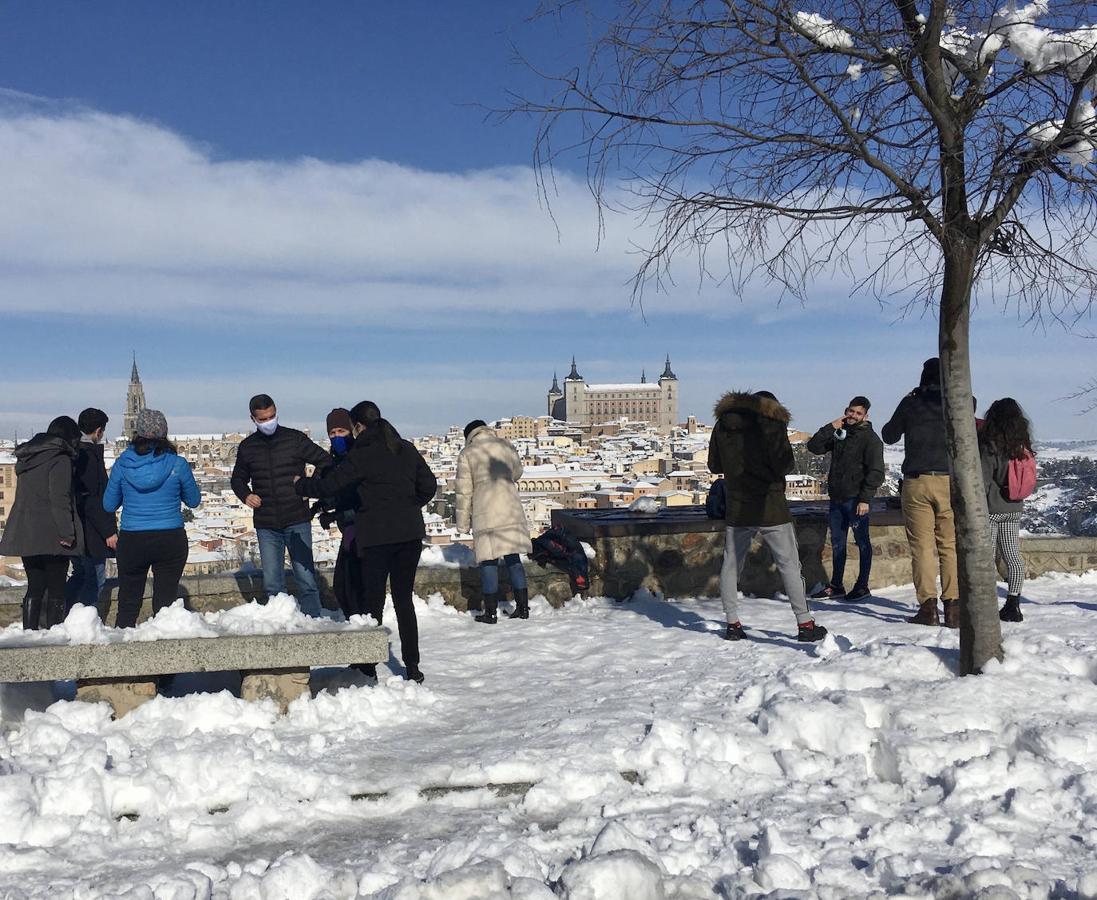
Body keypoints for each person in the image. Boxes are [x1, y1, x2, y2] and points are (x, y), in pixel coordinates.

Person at [294, 401, 437, 682]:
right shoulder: (404, 448)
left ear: (357, 426)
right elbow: (429, 486)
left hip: (376, 536)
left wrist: (300, 484)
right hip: (409, 534)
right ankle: (412, 666)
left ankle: (369, 666)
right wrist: (408, 506)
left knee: (373, 602)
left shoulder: (362, 455)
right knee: (403, 600)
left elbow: (329, 485)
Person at [707, 390, 827, 643]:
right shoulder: (772, 425)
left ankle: (732, 623)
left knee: (731, 565)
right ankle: (805, 623)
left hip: (738, 504)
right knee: (789, 566)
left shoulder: (723, 425)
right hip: (770, 503)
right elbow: (785, 465)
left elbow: (715, 466)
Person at [230, 394, 331, 617]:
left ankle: (313, 624)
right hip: (266, 524)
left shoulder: (294, 439)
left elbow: (325, 461)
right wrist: (246, 496)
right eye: (263, 418)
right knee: (273, 583)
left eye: (272, 416)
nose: (269, 421)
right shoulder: (248, 447)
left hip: (297, 519)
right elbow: (237, 479)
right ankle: (280, 627)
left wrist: (310, 486)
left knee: (306, 581)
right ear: (253, 419)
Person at [881, 358, 959, 628]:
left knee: (923, 548)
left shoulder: (911, 403)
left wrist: (907, 399)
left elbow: (889, 435)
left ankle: (928, 608)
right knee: (949, 546)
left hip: (917, 480)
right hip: (950, 481)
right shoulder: (959, 401)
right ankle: (953, 608)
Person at [104, 409, 200, 628]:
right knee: (165, 605)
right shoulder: (178, 464)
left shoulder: (122, 464)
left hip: (133, 540)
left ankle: (121, 652)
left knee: (128, 602)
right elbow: (193, 501)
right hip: (170, 538)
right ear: (164, 433)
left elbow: (108, 505)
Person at [0, 416, 84, 629]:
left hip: (26, 531)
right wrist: (67, 533)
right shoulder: (60, 459)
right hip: (52, 533)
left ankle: (30, 632)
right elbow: (60, 498)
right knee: (57, 587)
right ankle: (53, 633)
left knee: (35, 585)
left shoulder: (28, 457)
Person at [806, 396, 885, 601]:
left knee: (862, 543)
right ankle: (836, 585)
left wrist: (865, 499)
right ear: (846, 411)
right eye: (851, 411)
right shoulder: (840, 434)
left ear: (865, 416)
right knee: (838, 543)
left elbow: (876, 472)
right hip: (837, 498)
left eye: (858, 413)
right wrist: (830, 426)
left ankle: (862, 586)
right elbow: (814, 447)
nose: (853, 416)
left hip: (856, 499)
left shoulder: (871, 439)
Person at [455, 420, 533, 624]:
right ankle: (523, 608)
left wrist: (462, 524)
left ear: (469, 436)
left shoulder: (468, 453)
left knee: (488, 560)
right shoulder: (505, 446)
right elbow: (517, 472)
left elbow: (464, 492)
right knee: (513, 558)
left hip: (485, 509)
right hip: (510, 508)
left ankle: (490, 612)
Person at [979, 398, 1034, 623]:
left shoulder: (990, 444)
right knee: (1012, 555)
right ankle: (1013, 603)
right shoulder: (1022, 444)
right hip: (1014, 506)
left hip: (991, 508)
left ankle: (986, 603)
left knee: (987, 556)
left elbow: (981, 480)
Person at [64, 408, 119, 615]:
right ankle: (86, 622)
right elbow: (92, 498)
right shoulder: (88, 456)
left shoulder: (74, 453)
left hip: (77, 527)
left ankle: (61, 613)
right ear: (98, 431)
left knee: (80, 573)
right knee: (95, 578)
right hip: (91, 531)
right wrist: (108, 531)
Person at [315, 408, 364, 619]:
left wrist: (335, 516)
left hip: (362, 530)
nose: (337, 437)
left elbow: (361, 499)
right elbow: (338, 492)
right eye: (332, 433)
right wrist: (322, 506)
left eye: (341, 431)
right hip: (349, 529)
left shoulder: (360, 459)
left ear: (352, 430)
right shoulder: (333, 461)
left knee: (351, 586)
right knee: (344, 587)